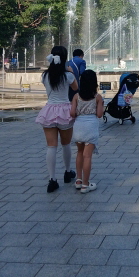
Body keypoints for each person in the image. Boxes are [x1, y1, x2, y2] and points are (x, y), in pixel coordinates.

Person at [35, 46, 78, 192]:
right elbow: (75, 88)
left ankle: (52, 179)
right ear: (65, 58)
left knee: (51, 146)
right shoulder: (68, 75)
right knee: (66, 144)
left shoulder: (45, 76)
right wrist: (70, 72)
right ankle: (67, 172)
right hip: (64, 110)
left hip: (49, 110)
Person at [70, 69, 104, 193]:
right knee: (87, 156)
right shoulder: (97, 97)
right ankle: (85, 185)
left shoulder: (76, 97)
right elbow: (100, 115)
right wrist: (101, 104)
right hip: (90, 128)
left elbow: (72, 113)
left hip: (78, 127)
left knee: (79, 153)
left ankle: (78, 180)